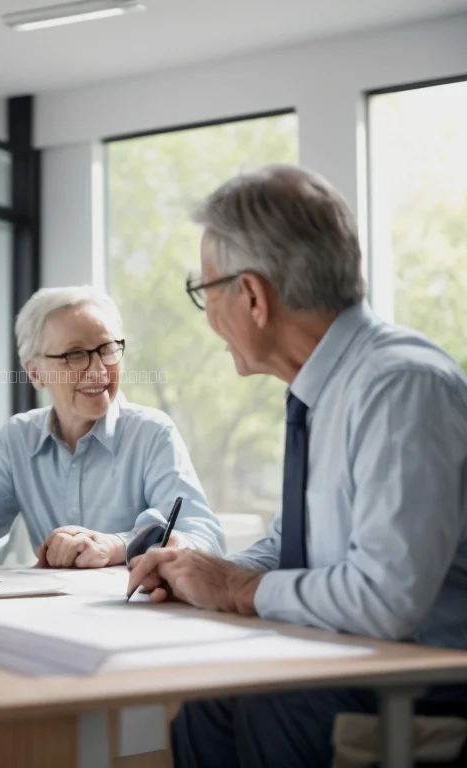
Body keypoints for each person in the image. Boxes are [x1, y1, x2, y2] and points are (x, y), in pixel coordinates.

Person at [127, 165, 467, 768]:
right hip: (357, 663)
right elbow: (297, 543)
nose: (208, 317)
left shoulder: (398, 387)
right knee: (210, 701)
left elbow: (386, 598)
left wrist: (237, 589)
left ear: (253, 296)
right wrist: (200, 570)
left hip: (426, 680)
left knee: (266, 703)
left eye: (206, 291)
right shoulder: (327, 390)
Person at [0, 285, 225, 569]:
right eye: (75, 355)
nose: (98, 370)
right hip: (46, 603)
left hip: (133, 604)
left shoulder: (152, 433)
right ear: (36, 373)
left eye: (107, 348)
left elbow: (204, 541)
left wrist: (117, 546)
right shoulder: (17, 439)